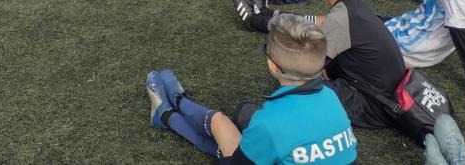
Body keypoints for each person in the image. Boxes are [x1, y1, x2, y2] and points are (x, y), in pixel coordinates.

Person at [144, 14, 357, 164]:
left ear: (272, 65)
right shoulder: (330, 96)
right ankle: (172, 107)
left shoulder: (270, 120)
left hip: (262, 142)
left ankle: (171, 109)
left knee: (219, 124)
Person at [234, 0, 407, 131]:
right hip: (382, 93)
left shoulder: (340, 19)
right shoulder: (354, 5)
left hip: (373, 106)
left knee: (297, 79)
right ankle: (262, 16)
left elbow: (307, 67)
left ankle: (267, 122)